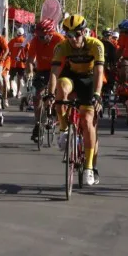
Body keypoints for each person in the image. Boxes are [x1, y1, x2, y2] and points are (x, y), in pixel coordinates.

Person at [50, 14, 105, 186]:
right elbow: (54, 72)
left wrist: (96, 94)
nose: (73, 40)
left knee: (88, 121)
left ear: (84, 32)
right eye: (69, 36)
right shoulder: (62, 46)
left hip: (90, 80)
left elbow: (98, 72)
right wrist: (50, 94)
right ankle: (64, 129)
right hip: (72, 77)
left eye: (77, 35)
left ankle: (89, 167)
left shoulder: (95, 45)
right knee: (61, 88)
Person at [26, 19, 65, 141]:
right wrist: (30, 73)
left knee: (58, 95)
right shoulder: (35, 40)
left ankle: (54, 114)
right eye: (38, 36)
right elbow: (30, 60)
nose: (40, 38)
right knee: (37, 96)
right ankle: (38, 124)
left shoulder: (60, 40)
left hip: (59, 69)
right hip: (42, 70)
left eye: (42, 36)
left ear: (50, 33)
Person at [8, 27, 29, 98]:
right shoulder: (25, 41)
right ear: (23, 34)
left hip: (13, 62)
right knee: (20, 78)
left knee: (11, 77)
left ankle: (11, 89)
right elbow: (28, 52)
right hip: (21, 63)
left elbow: (8, 51)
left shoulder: (12, 41)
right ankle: (18, 93)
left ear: (17, 33)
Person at [100, 29, 118, 97]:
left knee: (112, 75)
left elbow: (113, 59)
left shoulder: (112, 46)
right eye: (106, 35)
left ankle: (108, 91)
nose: (108, 37)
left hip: (108, 65)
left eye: (109, 36)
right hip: (99, 65)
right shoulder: (99, 43)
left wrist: (112, 66)